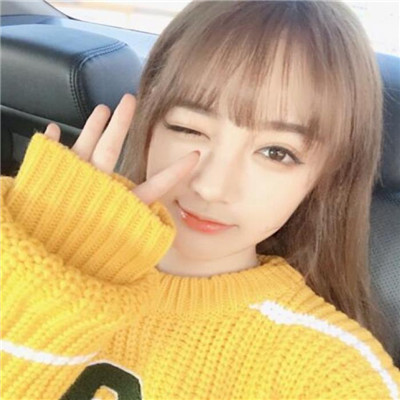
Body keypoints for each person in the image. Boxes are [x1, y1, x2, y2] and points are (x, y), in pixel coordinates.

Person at [1, 1, 400, 399]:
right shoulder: (18, 246)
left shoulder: (333, 375)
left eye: (276, 152)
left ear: (326, 178)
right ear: (150, 122)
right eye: (189, 129)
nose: (212, 187)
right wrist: (38, 277)